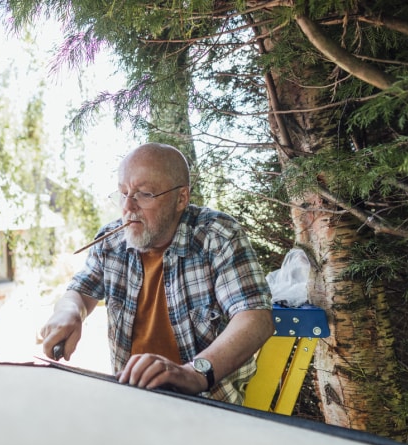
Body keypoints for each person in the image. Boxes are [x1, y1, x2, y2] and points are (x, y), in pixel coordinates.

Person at [40, 142, 274, 405]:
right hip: (131, 397)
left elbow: (255, 317)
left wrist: (193, 374)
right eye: (123, 192)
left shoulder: (217, 236)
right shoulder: (111, 241)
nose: (128, 206)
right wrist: (69, 311)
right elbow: (81, 293)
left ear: (181, 198)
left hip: (209, 404)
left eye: (144, 194)